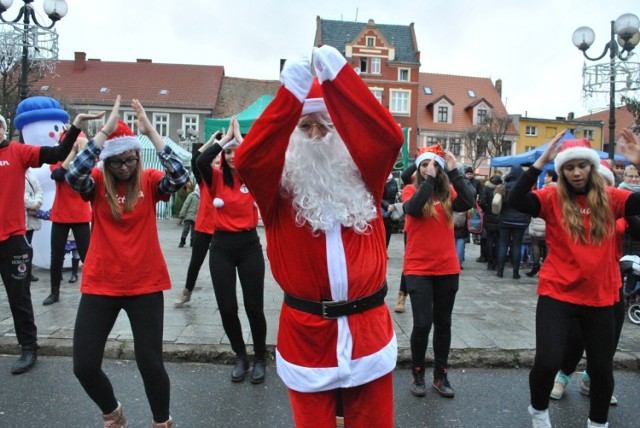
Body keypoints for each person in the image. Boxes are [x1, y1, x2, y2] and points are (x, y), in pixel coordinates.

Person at [235, 46, 403, 427]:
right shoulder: (275, 190)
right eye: (305, 126)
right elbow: (248, 158)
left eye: (324, 125)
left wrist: (340, 76)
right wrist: (292, 92)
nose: (315, 135)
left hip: (368, 332)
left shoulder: (366, 178)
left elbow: (389, 138)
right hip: (307, 335)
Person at [66, 96, 188, 428]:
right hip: (101, 283)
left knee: (150, 363)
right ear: (106, 161)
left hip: (145, 284)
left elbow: (179, 176)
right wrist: (104, 132)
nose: (124, 167)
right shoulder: (95, 181)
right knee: (84, 365)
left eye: (130, 160)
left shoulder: (148, 180)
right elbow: (72, 175)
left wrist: (149, 130)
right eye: (117, 162)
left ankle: (162, 422)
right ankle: (113, 414)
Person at [509, 130, 640, 428]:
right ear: (562, 170)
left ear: (592, 167)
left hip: (601, 296)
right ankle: (539, 413)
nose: (576, 172)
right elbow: (517, 199)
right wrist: (542, 161)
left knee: (601, 369)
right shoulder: (552, 197)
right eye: (569, 167)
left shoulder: (611, 198)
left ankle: (597, 423)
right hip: (558, 293)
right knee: (546, 362)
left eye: (582, 165)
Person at [0, 106, 100, 375]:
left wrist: (76, 125)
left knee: (18, 297)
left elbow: (56, 155)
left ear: (4, 130)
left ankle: (28, 347)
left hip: (12, 239)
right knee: (53, 261)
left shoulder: (17, 152)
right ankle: (52, 294)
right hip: (53, 219)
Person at [196, 116, 268, 385]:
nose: (232, 156)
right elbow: (201, 161)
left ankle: (260, 357)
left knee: (254, 307)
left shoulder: (254, 177)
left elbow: (262, 159)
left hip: (249, 245)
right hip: (222, 247)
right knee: (227, 307)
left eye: (237, 152)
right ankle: (241, 356)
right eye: (228, 153)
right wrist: (225, 139)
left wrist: (242, 141)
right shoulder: (216, 178)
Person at [402, 144, 475, 399]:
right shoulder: (410, 189)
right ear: (419, 168)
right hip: (418, 269)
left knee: (443, 323)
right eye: (423, 164)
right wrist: (429, 179)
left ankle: (441, 374)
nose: (427, 168)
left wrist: (454, 172)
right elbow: (412, 209)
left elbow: (468, 202)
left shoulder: (449, 192)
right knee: (422, 324)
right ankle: (418, 371)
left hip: (447, 268)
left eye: (432, 164)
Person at [44, 131, 91, 305]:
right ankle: (54, 291)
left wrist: (81, 153)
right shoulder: (57, 162)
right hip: (61, 214)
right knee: (56, 256)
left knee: (87, 256)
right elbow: (58, 175)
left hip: (80, 214)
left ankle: (91, 290)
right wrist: (71, 153)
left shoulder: (87, 162)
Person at [174, 134, 220, 307]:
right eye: (213, 162)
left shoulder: (224, 180)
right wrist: (210, 143)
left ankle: (222, 295)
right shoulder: (203, 181)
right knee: (195, 263)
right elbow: (195, 161)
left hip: (219, 229)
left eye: (217, 162)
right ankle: (187, 292)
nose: (215, 165)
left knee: (218, 266)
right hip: (203, 227)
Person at [496, 166, 531, 279]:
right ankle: (515, 272)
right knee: (517, 245)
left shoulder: (504, 187)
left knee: (503, 245)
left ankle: (500, 271)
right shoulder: (525, 188)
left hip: (505, 220)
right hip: (520, 221)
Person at [526, 170, 557, 277]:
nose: (545, 178)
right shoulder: (561, 191)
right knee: (548, 244)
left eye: (547, 176)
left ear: (552, 177)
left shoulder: (544, 189)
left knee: (535, 243)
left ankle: (536, 265)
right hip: (551, 222)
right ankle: (546, 266)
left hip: (539, 220)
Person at [479, 174, 502, 270]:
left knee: (489, 239)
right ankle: (497, 261)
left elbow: (481, 202)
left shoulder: (486, 189)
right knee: (499, 241)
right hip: (500, 218)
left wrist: (486, 210)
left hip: (488, 217)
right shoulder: (502, 190)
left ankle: (490, 261)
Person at [25, 168, 43, 282]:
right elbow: (19, 194)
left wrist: (36, 203)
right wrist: (33, 204)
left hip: (30, 216)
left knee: (28, 246)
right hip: (20, 215)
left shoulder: (30, 174)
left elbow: (39, 190)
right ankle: (23, 271)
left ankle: (28, 272)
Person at [178, 183, 199, 248]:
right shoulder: (191, 195)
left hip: (196, 217)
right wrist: (182, 214)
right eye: (199, 189)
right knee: (186, 229)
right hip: (189, 216)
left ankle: (192, 242)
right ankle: (182, 241)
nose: (200, 190)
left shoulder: (201, 197)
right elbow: (186, 205)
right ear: (196, 189)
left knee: (194, 230)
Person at [381, 172, 399, 249]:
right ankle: (381, 249)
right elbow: (376, 196)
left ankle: (385, 249)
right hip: (381, 207)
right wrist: (387, 205)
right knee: (381, 230)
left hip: (391, 208)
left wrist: (398, 195)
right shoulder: (380, 180)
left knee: (388, 230)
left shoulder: (393, 181)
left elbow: (396, 193)